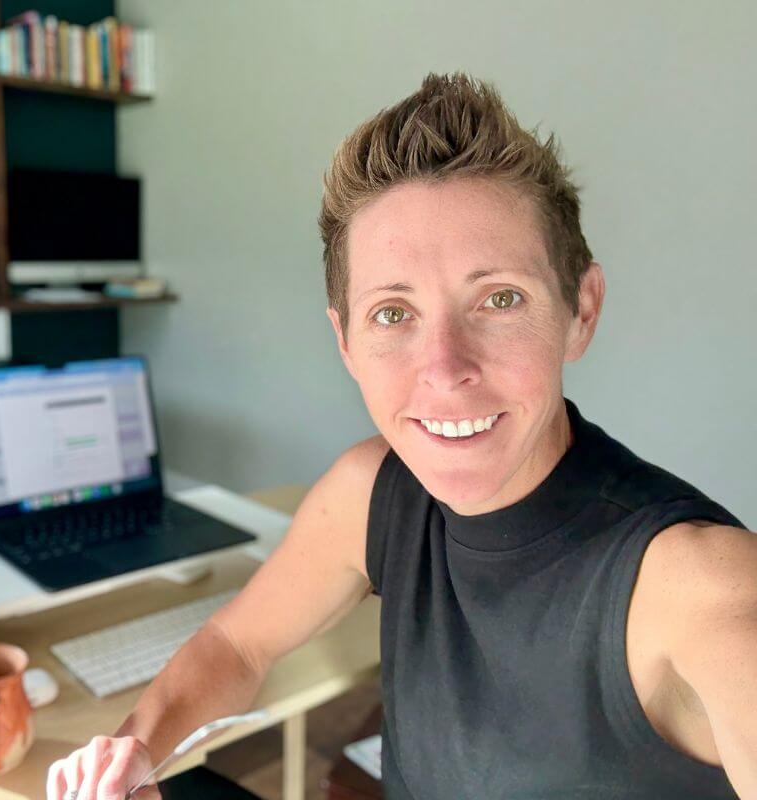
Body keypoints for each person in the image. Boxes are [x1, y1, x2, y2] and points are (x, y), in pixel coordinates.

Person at [46, 72, 756, 800]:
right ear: (345, 340)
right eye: (392, 313)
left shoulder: (699, 588)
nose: (445, 369)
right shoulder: (373, 491)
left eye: (500, 299)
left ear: (581, 310)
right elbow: (236, 644)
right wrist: (128, 754)